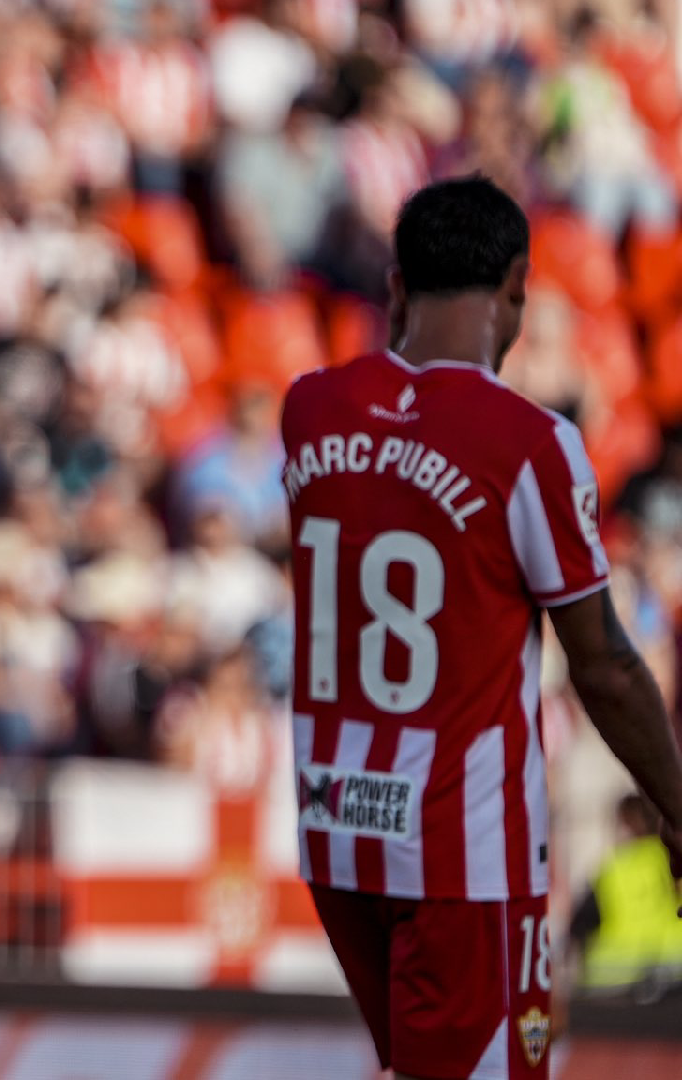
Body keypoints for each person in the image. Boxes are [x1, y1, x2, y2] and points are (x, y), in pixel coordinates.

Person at [281, 175, 682, 1080]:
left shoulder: (309, 411)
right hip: (462, 858)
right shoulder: (530, 442)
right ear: (515, 292)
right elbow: (606, 666)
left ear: (393, 289)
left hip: (340, 829)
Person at [567, 794, 682, 995]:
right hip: (674, 973)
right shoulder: (674, 862)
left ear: (625, 824)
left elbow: (579, 926)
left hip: (615, 979)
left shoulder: (613, 869)